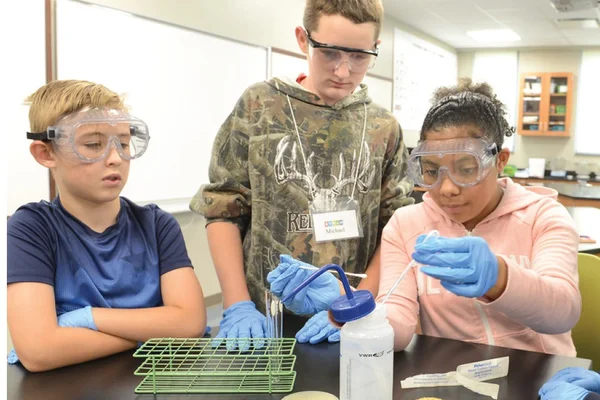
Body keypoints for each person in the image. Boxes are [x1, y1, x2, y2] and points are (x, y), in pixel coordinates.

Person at [190, 0, 413, 349]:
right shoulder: (260, 105)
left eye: (359, 56)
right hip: (264, 317)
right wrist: (236, 303)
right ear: (302, 39)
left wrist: (353, 309)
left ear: (376, 49)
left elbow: (397, 229)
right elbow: (223, 209)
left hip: (347, 319)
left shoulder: (384, 127)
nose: (343, 71)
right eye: (330, 53)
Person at [7, 80, 207, 372]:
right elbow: (38, 350)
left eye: (123, 143)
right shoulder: (32, 229)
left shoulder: (156, 225)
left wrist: (88, 319)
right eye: (93, 145)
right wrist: (153, 332)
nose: (115, 158)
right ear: (46, 153)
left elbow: (190, 322)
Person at [378, 78, 581, 355]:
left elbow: (562, 313)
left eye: (465, 168)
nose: (447, 189)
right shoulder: (405, 225)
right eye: (432, 170)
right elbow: (398, 319)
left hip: (540, 375)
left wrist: (499, 277)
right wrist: (355, 318)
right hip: (453, 378)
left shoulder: (542, 216)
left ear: (500, 161)